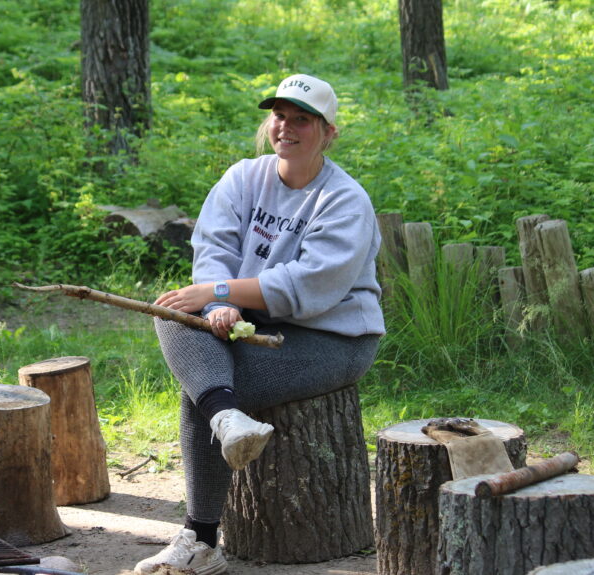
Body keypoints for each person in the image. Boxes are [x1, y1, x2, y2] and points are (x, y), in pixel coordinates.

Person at [135, 73, 386, 575]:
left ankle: (201, 540)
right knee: (175, 312)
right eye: (279, 116)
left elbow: (308, 286)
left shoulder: (343, 199)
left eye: (302, 119)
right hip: (254, 322)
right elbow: (214, 251)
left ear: (329, 131)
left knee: (203, 391)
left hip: (332, 339)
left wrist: (222, 292)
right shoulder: (243, 178)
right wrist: (212, 306)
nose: (286, 127)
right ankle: (229, 423)